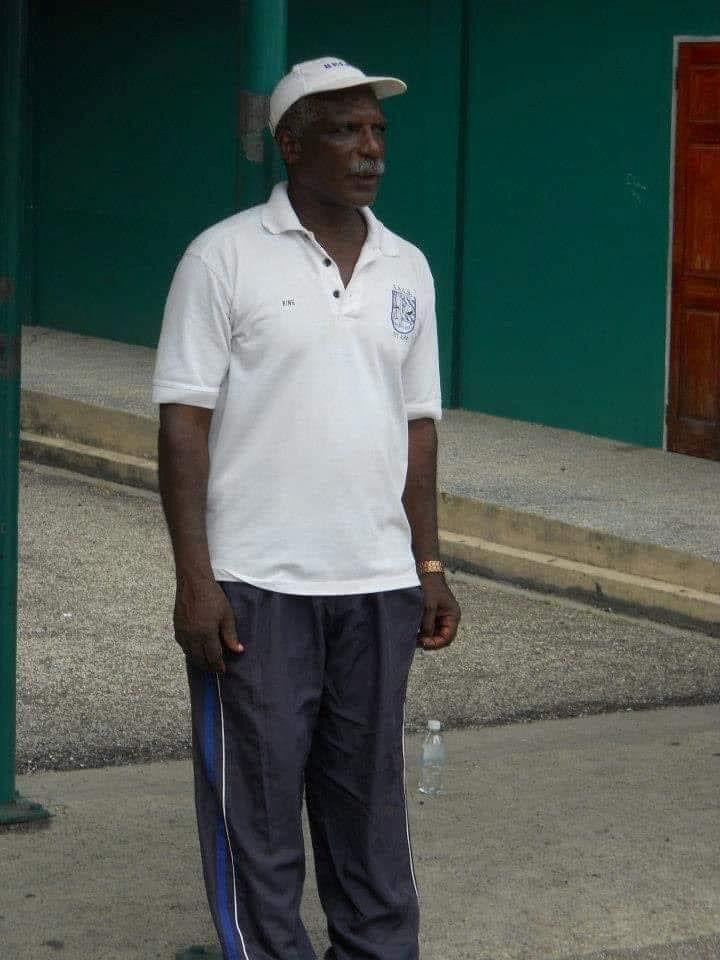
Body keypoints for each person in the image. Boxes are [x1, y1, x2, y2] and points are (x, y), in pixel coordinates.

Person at [153, 56, 461, 960]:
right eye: (345, 130)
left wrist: (428, 563)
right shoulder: (223, 257)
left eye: (377, 131)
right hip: (257, 587)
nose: (370, 149)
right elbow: (182, 425)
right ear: (291, 145)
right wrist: (196, 580)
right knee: (257, 808)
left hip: (377, 583)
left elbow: (418, 426)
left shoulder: (407, 266)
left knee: (369, 805)